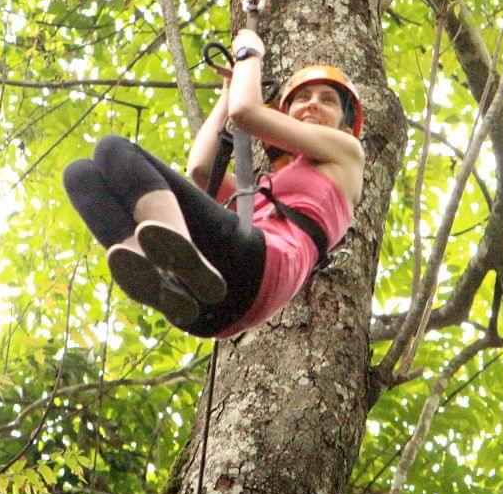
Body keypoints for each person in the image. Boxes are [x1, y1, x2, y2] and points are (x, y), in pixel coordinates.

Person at [61, 28, 365, 338]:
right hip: (211, 311)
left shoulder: (348, 154)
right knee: (80, 175)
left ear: (345, 124)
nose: (312, 104)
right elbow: (201, 170)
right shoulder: (267, 189)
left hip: (263, 264)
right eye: (302, 98)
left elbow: (246, 112)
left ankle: (180, 252)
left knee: (112, 148)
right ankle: (159, 275)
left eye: (327, 100)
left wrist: (250, 50)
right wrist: (226, 94)